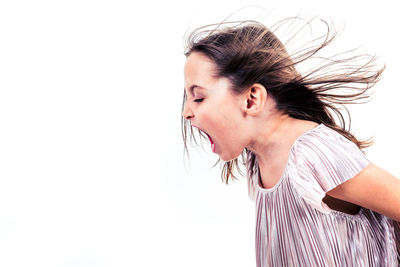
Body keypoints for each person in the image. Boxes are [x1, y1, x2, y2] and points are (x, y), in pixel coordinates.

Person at [181, 19, 400, 266]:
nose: (186, 112)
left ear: (252, 99)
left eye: (198, 98)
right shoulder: (258, 161)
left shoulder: (313, 154)